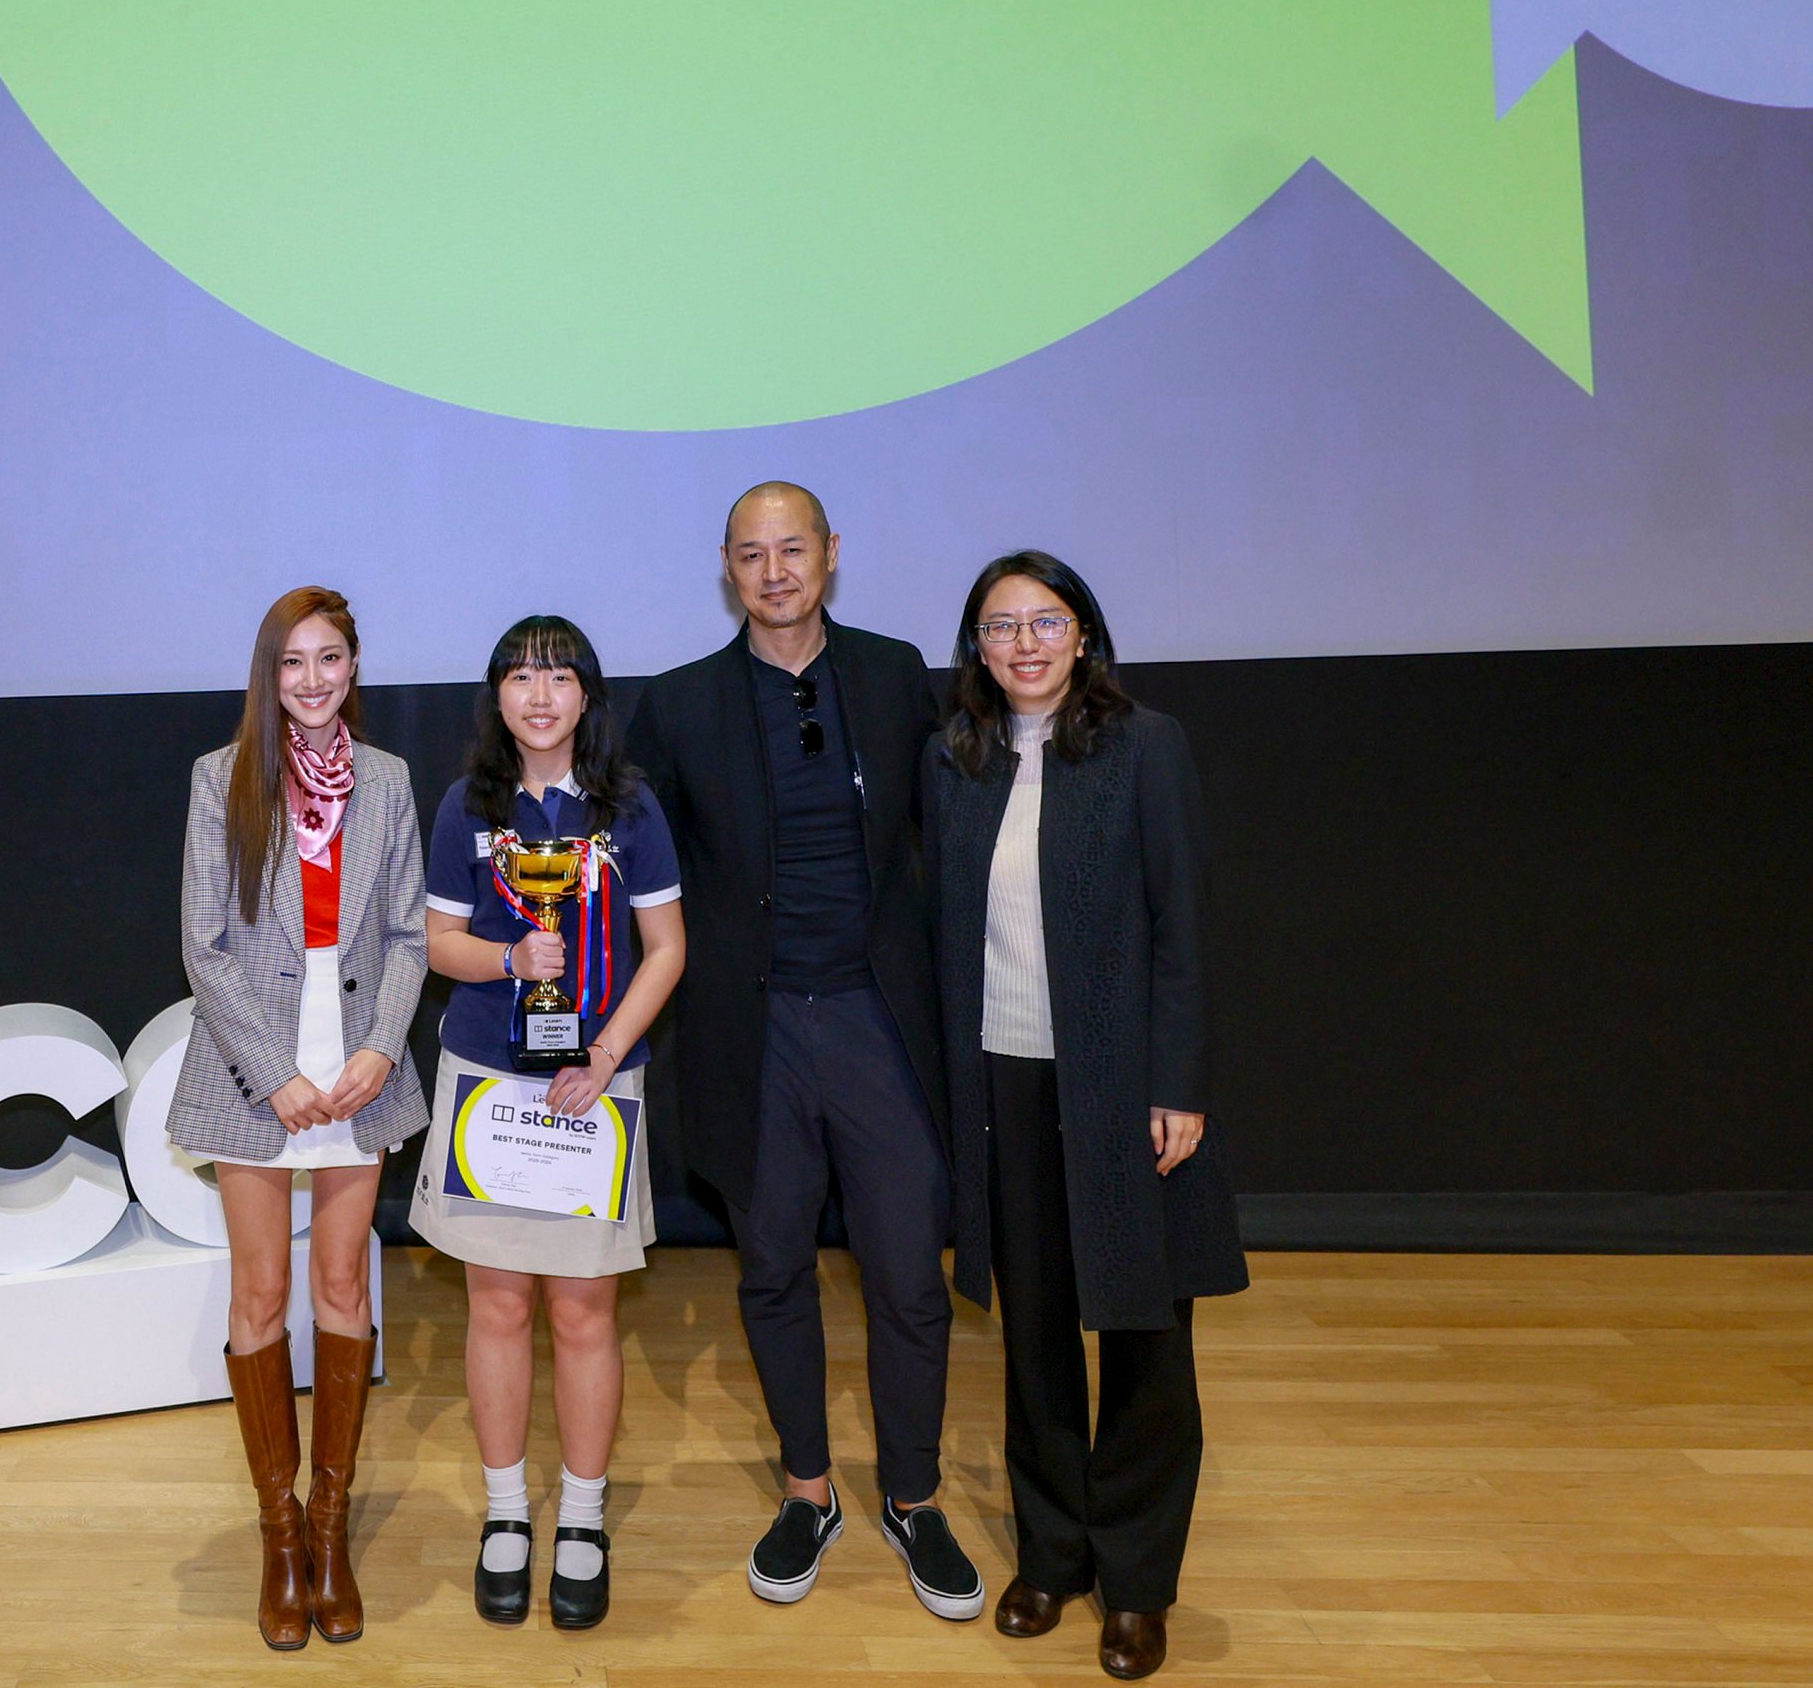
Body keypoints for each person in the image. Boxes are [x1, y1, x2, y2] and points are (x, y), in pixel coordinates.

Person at [622, 480, 982, 1619]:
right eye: (750, 553)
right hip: (754, 1025)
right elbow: (635, 876)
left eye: (794, 548)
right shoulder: (676, 706)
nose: (774, 570)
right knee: (771, 1264)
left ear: (832, 553)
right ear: (724, 569)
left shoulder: (890, 672)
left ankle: (913, 1498)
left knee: (905, 1277)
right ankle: (808, 1488)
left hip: (879, 1017)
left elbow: (952, 836)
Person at [924, 551, 1244, 1682]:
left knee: (1147, 1334)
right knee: (1036, 1332)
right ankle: (1052, 1553)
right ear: (975, 645)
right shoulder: (952, 758)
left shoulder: (1143, 745)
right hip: (1005, 1082)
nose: (1023, 643)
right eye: (999, 625)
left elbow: (1182, 924)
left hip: (1122, 1086)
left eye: (1044, 621)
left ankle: (1139, 1580)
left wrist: (1180, 1080)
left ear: (1083, 633)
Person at [165, 585, 427, 1652]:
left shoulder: (391, 782)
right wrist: (274, 1070)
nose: (312, 679)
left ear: (353, 669)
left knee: (341, 1283)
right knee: (263, 1292)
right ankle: (278, 1536)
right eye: (292, 661)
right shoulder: (218, 778)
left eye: (330, 658)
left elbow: (408, 933)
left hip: (357, 1059)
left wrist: (374, 1052)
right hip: (253, 1066)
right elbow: (202, 942)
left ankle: (331, 1529)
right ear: (267, 675)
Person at [417, 616, 685, 1631]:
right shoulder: (465, 805)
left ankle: (580, 1512)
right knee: (494, 1305)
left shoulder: (629, 805)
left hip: (593, 1087)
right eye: (520, 677)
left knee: (581, 1312)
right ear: (496, 696)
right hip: (490, 1079)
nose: (540, 694)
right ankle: (503, 1512)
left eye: (559, 675)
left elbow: (665, 946)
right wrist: (507, 961)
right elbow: (441, 940)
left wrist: (605, 1053)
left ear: (587, 695)